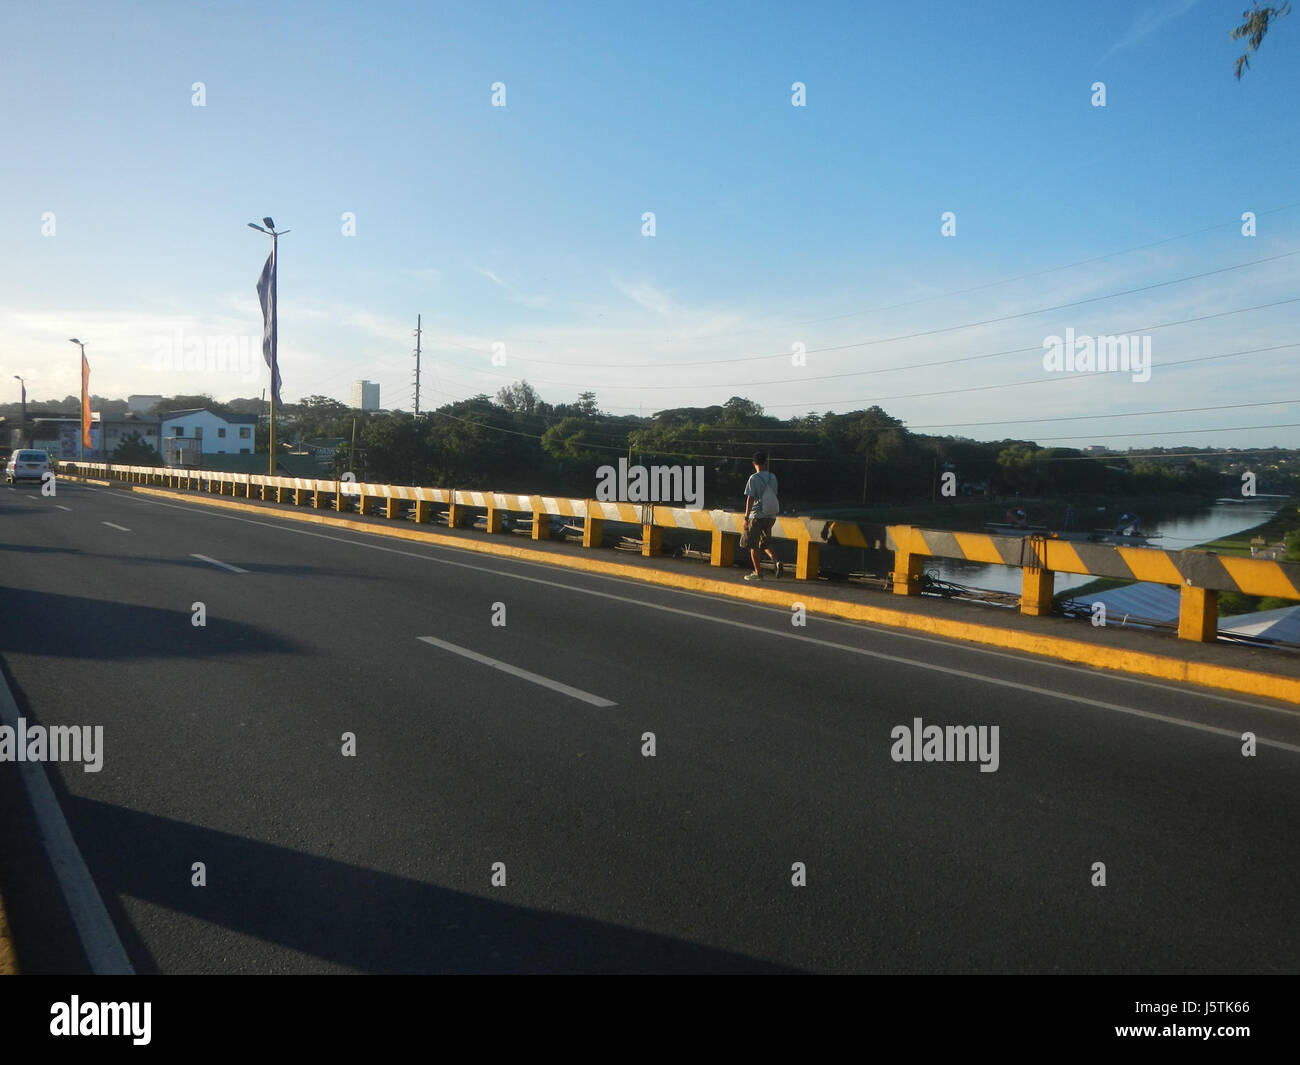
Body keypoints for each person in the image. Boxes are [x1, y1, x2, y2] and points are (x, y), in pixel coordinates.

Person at [742, 452, 783, 581]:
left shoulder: (753, 478)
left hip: (757, 516)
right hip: (770, 516)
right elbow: (773, 494)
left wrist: (746, 517)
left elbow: (750, 498)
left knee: (754, 545)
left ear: (754, 464)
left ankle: (757, 573)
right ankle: (776, 561)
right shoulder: (773, 477)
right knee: (765, 543)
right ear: (766, 463)